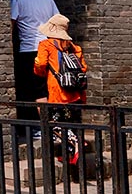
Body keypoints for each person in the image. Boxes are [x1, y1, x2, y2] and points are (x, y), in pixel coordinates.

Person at [34, 13, 87, 165]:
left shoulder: (46, 45)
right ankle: (69, 153)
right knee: (73, 122)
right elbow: (83, 68)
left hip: (58, 93)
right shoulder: (74, 47)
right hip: (75, 93)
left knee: (55, 123)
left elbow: (40, 65)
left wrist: (39, 69)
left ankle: (77, 146)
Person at [10, 0, 58, 132]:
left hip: (29, 49)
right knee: (46, 87)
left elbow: (11, 23)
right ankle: (52, 125)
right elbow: (57, 22)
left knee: (32, 90)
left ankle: (43, 128)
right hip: (48, 48)